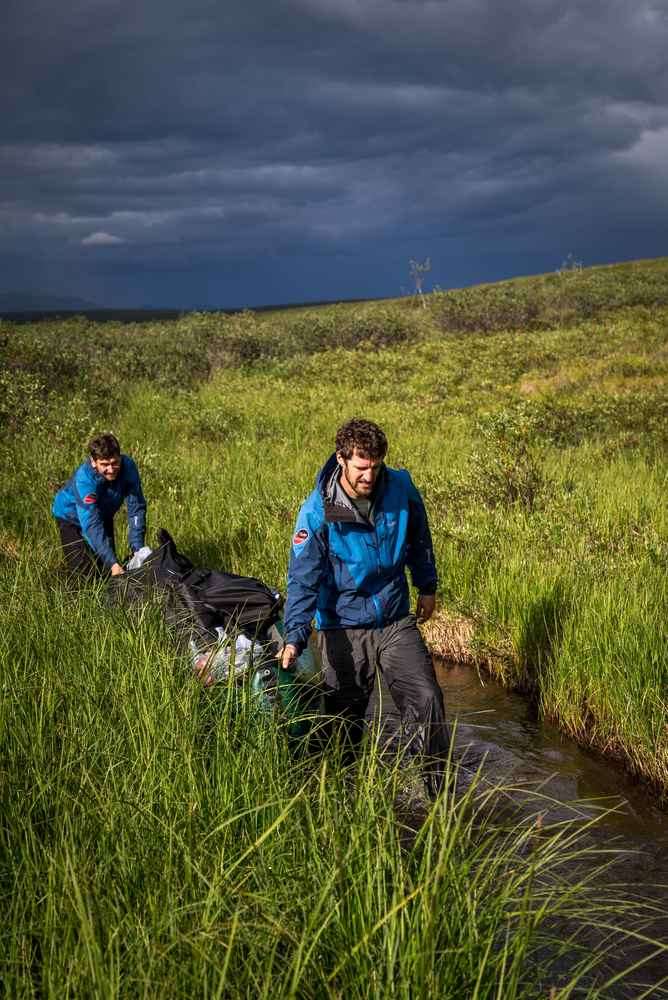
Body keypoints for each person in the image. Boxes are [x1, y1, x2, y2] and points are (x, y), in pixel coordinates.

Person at [281, 418, 449, 796]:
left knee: (427, 699)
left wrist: (427, 586)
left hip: (393, 618)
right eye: (360, 467)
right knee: (345, 721)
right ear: (341, 459)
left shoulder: (400, 488)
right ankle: (344, 796)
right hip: (342, 624)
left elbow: (419, 538)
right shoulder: (316, 513)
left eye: (375, 466)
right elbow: (303, 579)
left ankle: (435, 794)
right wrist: (294, 636)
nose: (368, 475)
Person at [52, 433, 147, 579]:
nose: (111, 469)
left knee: (108, 571)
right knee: (84, 572)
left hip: (103, 514)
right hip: (71, 518)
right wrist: (113, 563)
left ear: (120, 457)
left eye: (114, 462)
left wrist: (137, 548)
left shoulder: (128, 468)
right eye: (104, 464)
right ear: (93, 462)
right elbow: (91, 524)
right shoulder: (84, 480)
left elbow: (136, 507)